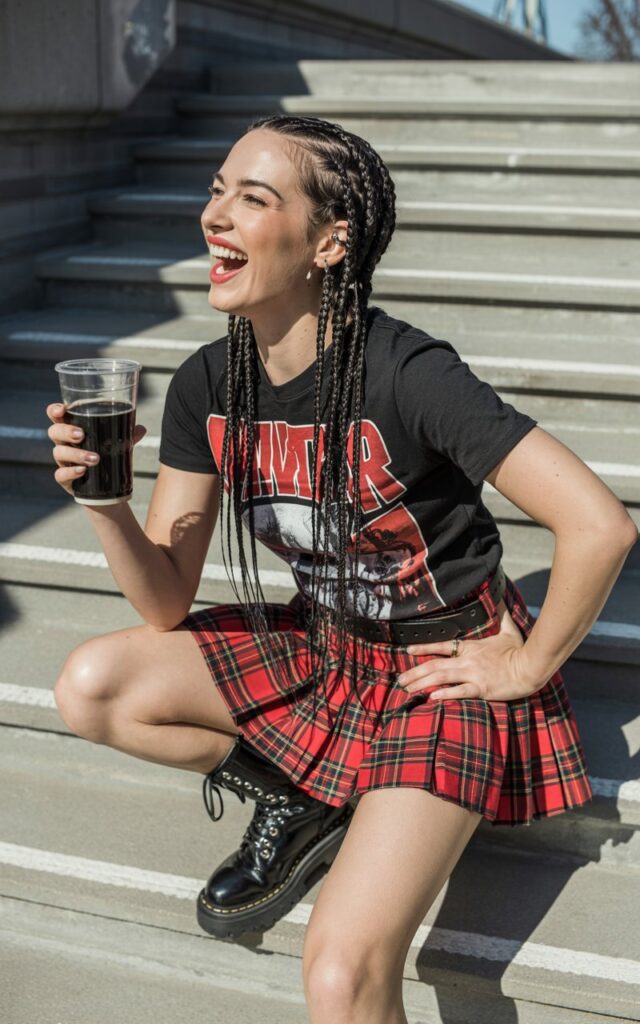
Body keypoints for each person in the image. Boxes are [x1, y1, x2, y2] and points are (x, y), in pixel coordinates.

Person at [48, 113, 637, 1024]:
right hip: (328, 651)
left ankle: (337, 789)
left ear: (331, 242)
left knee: (341, 974)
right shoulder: (212, 383)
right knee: (93, 685)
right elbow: (165, 600)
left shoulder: (407, 372)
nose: (216, 216)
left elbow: (598, 525)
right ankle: (309, 794)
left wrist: (522, 663)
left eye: (254, 197)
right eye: (216, 190)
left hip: (438, 681)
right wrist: (105, 504)